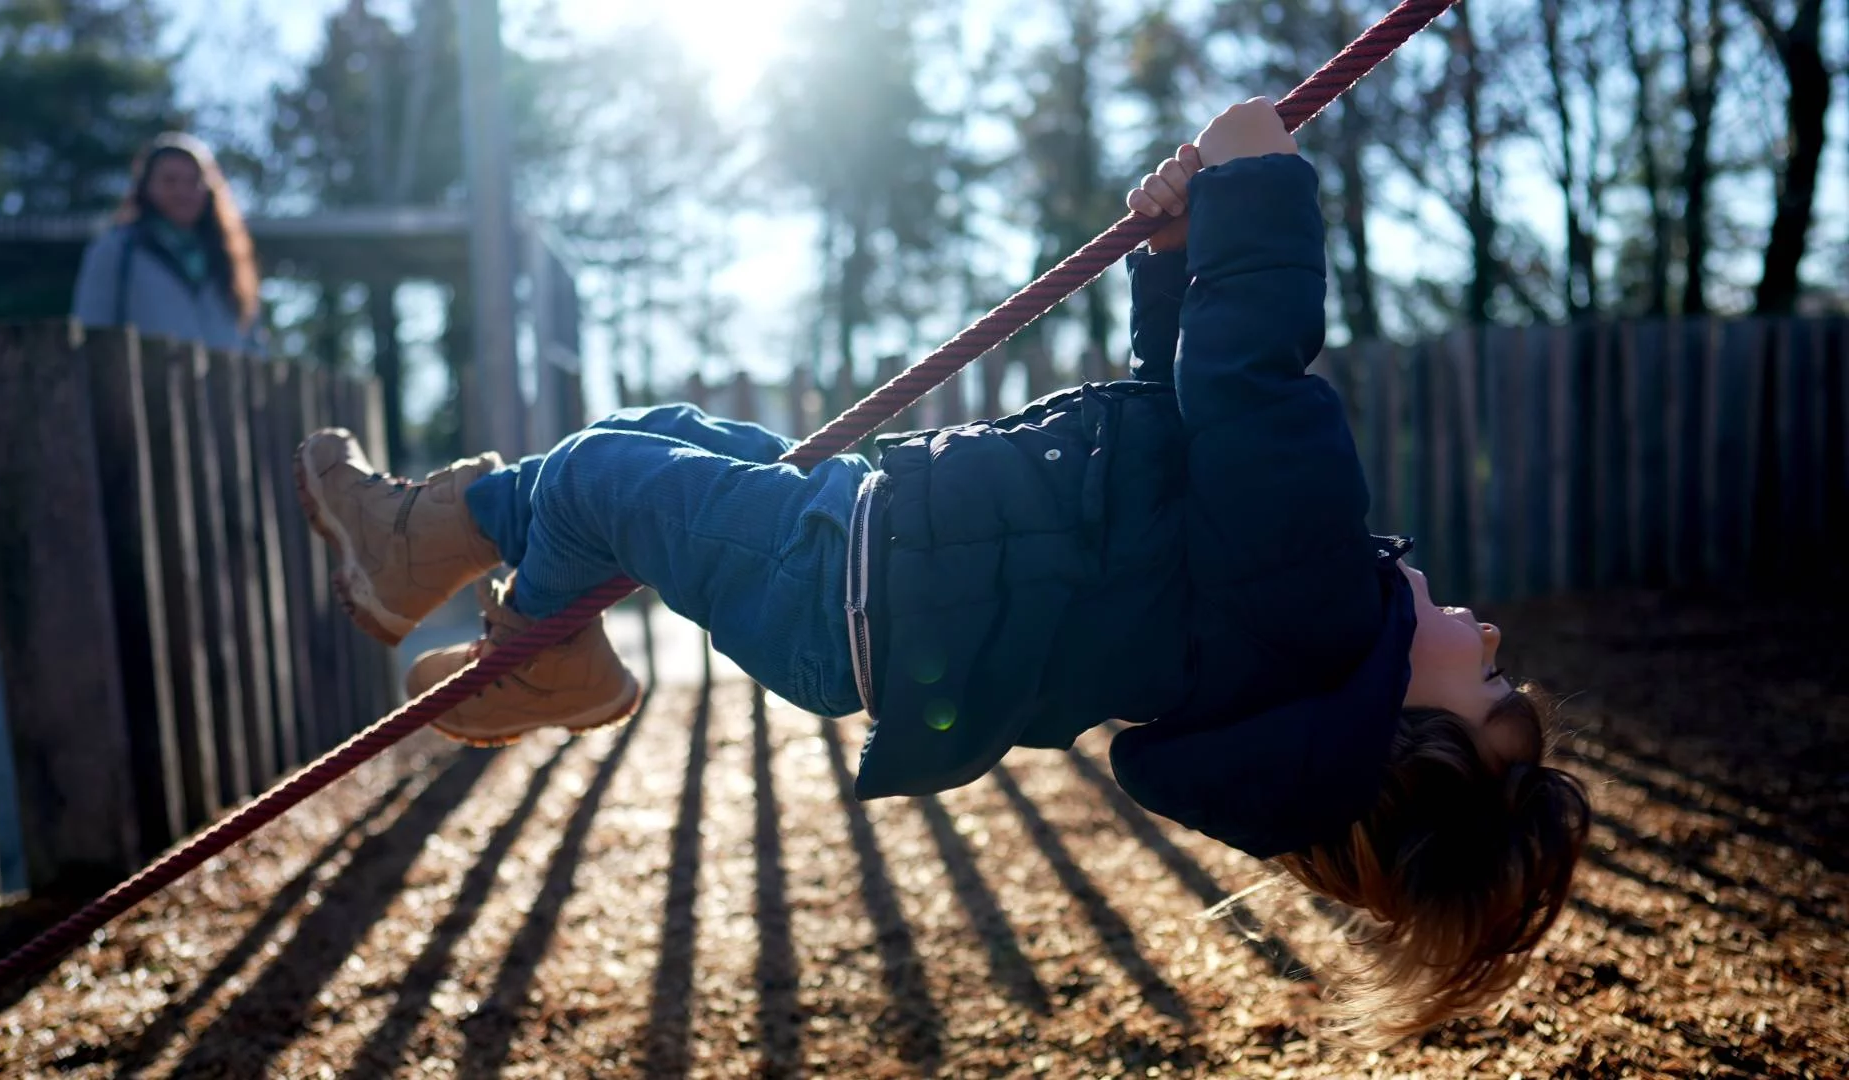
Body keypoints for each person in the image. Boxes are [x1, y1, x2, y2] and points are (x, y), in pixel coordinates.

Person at [294, 98, 1591, 1043]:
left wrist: (1261, 183)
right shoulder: (1287, 643)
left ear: (1415, 734)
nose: (1491, 647)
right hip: (872, 543)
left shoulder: (1318, 612)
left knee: (604, 478)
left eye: (1495, 696)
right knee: (657, 445)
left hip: (859, 578)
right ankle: (525, 631)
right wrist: (1176, 260)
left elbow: (1248, 391)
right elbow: (1184, 427)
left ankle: (462, 578)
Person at [71, 132, 264, 354]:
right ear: (146, 187)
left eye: (193, 181)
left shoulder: (230, 257)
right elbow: (91, 330)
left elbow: (254, 341)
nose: (182, 191)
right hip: (146, 387)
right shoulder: (117, 249)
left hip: (224, 387)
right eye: (169, 180)